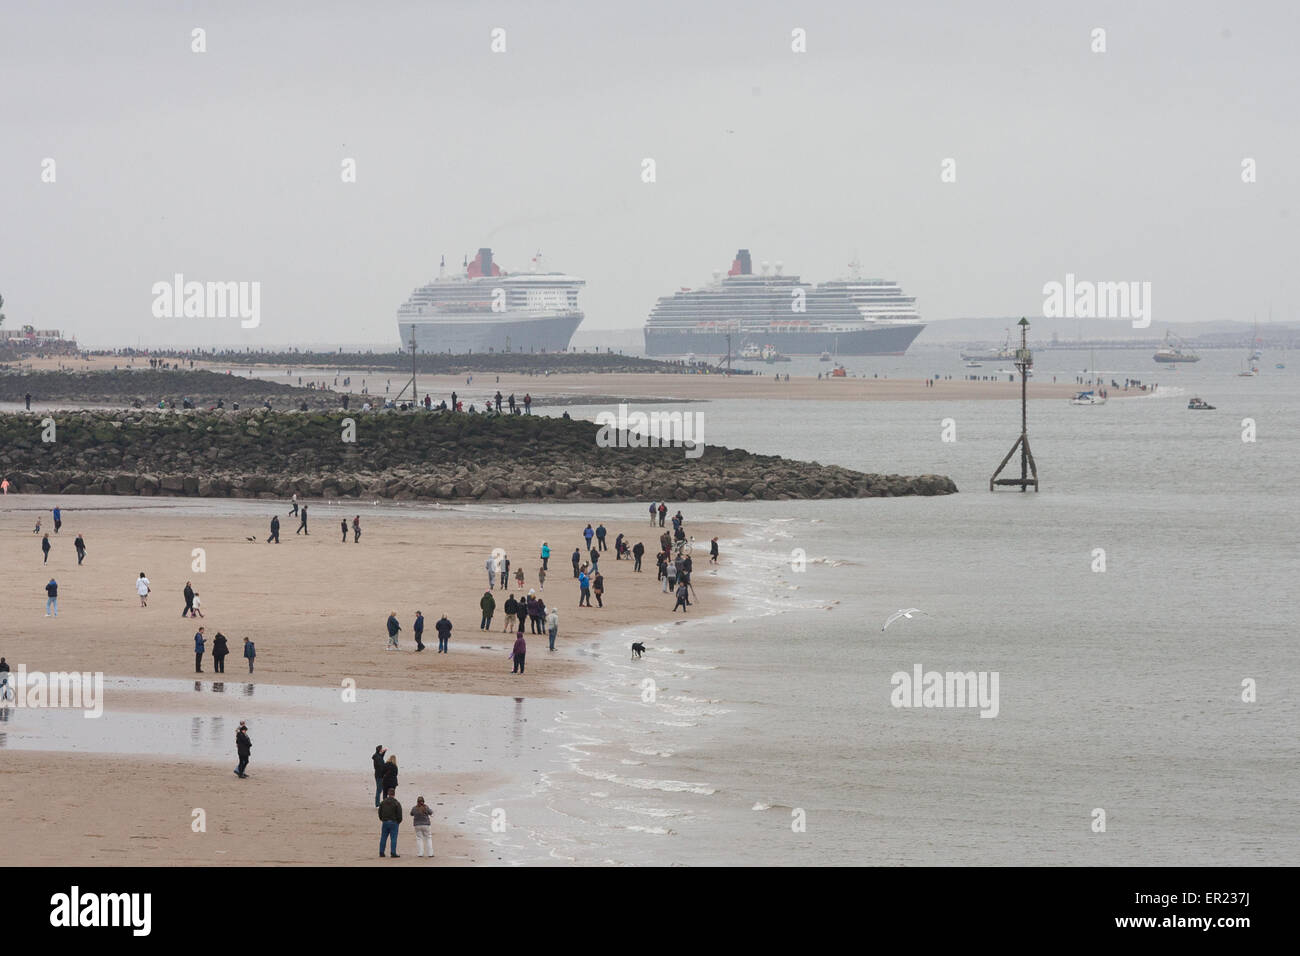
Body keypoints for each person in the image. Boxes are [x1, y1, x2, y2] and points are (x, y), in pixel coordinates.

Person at [378, 790, 402, 858]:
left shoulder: (383, 802)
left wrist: (382, 819)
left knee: (383, 837)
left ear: (388, 794)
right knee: (393, 838)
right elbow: (399, 814)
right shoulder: (396, 803)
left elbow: (380, 812)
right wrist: (398, 822)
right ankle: (393, 852)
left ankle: (381, 852)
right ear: (394, 794)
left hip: (385, 822)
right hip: (394, 823)